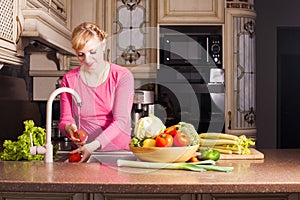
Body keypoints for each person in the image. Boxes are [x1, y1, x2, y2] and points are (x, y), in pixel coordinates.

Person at [58, 22, 134, 162]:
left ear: (103, 45)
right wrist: (71, 130)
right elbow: (65, 119)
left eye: (93, 52)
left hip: (116, 154)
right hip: (83, 152)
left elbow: (121, 121)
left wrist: (93, 146)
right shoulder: (69, 79)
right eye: (81, 55)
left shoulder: (122, 76)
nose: (87, 60)